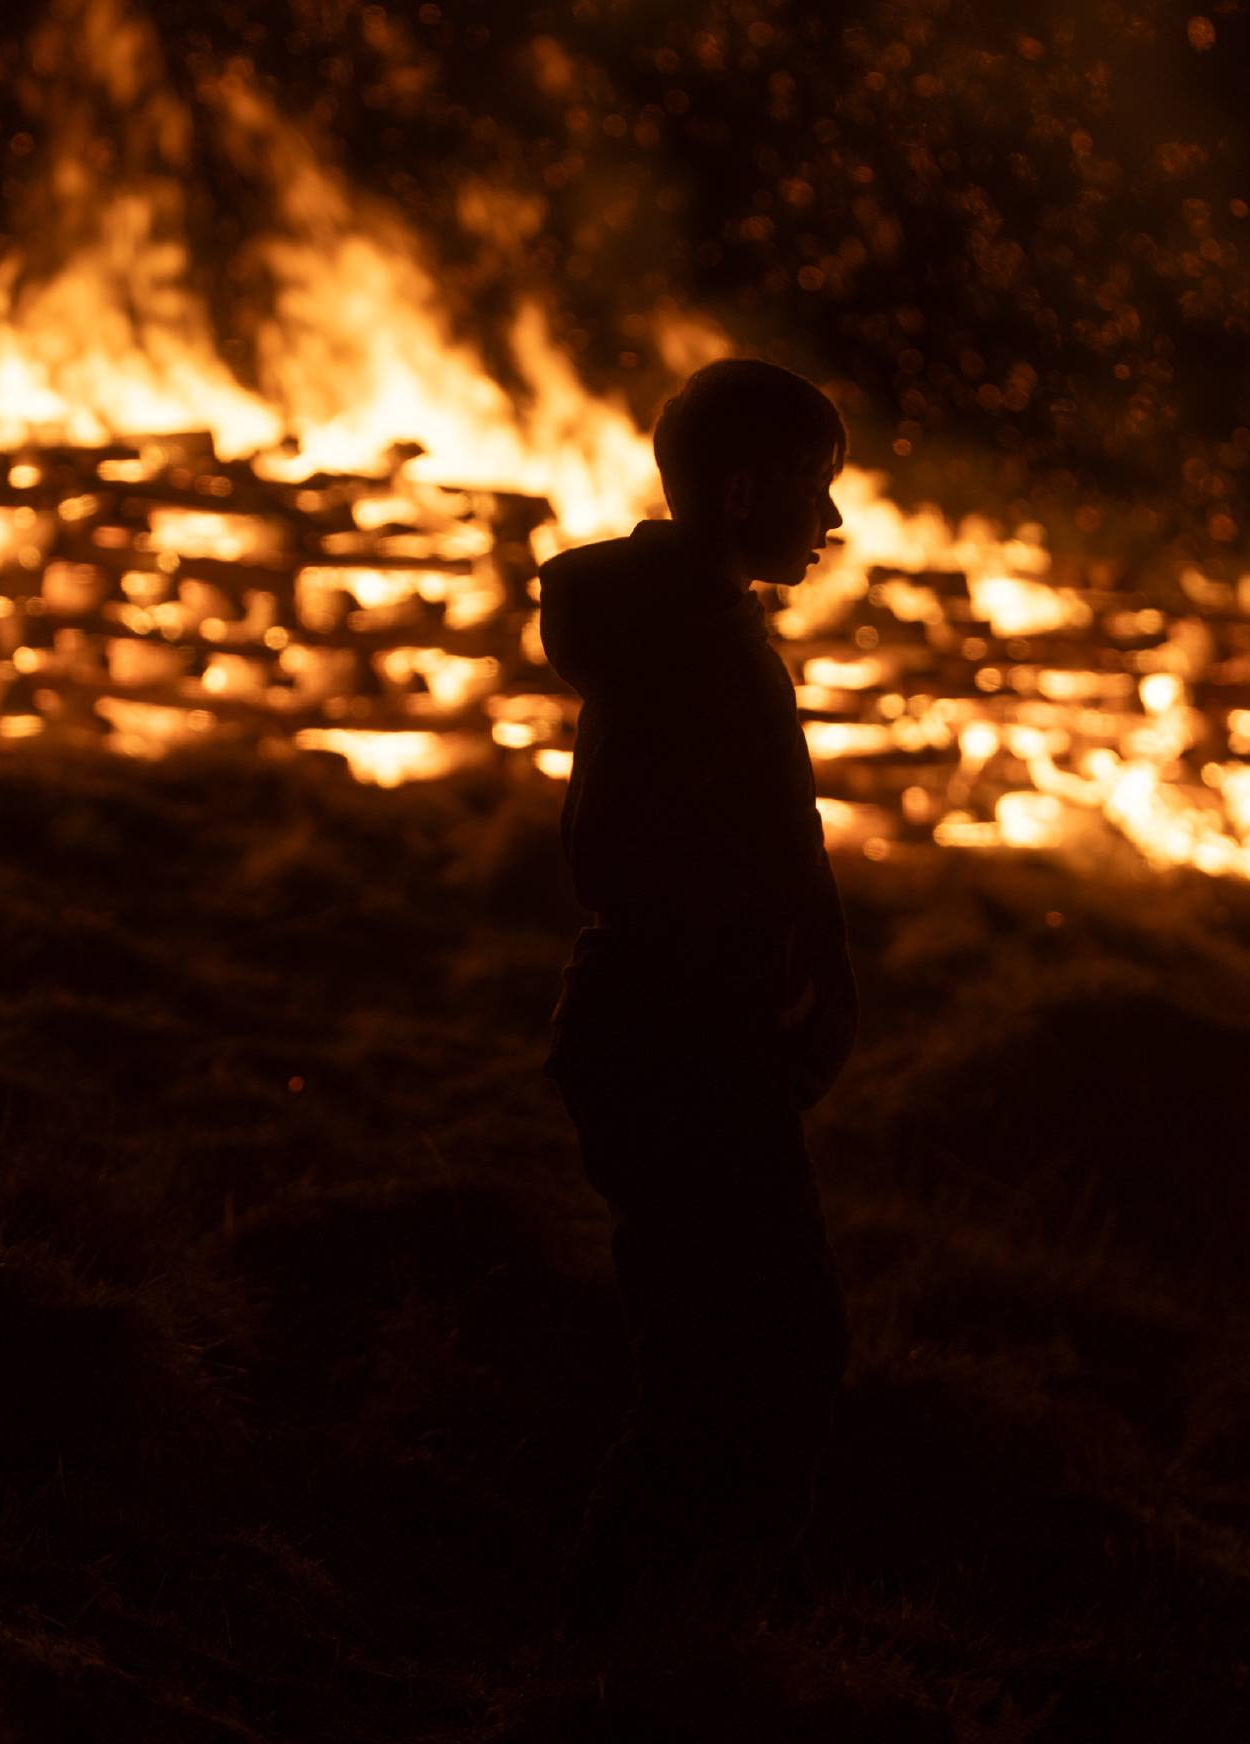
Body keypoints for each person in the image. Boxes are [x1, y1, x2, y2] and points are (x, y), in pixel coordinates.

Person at [534, 356, 858, 1630]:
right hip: (673, 1039)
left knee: (734, 1354)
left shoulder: (687, 622)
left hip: (669, 1027)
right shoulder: (691, 645)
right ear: (740, 492)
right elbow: (750, 849)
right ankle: (650, 1649)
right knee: (757, 1359)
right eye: (814, 487)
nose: (831, 520)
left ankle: (662, 1641)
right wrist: (804, 974)